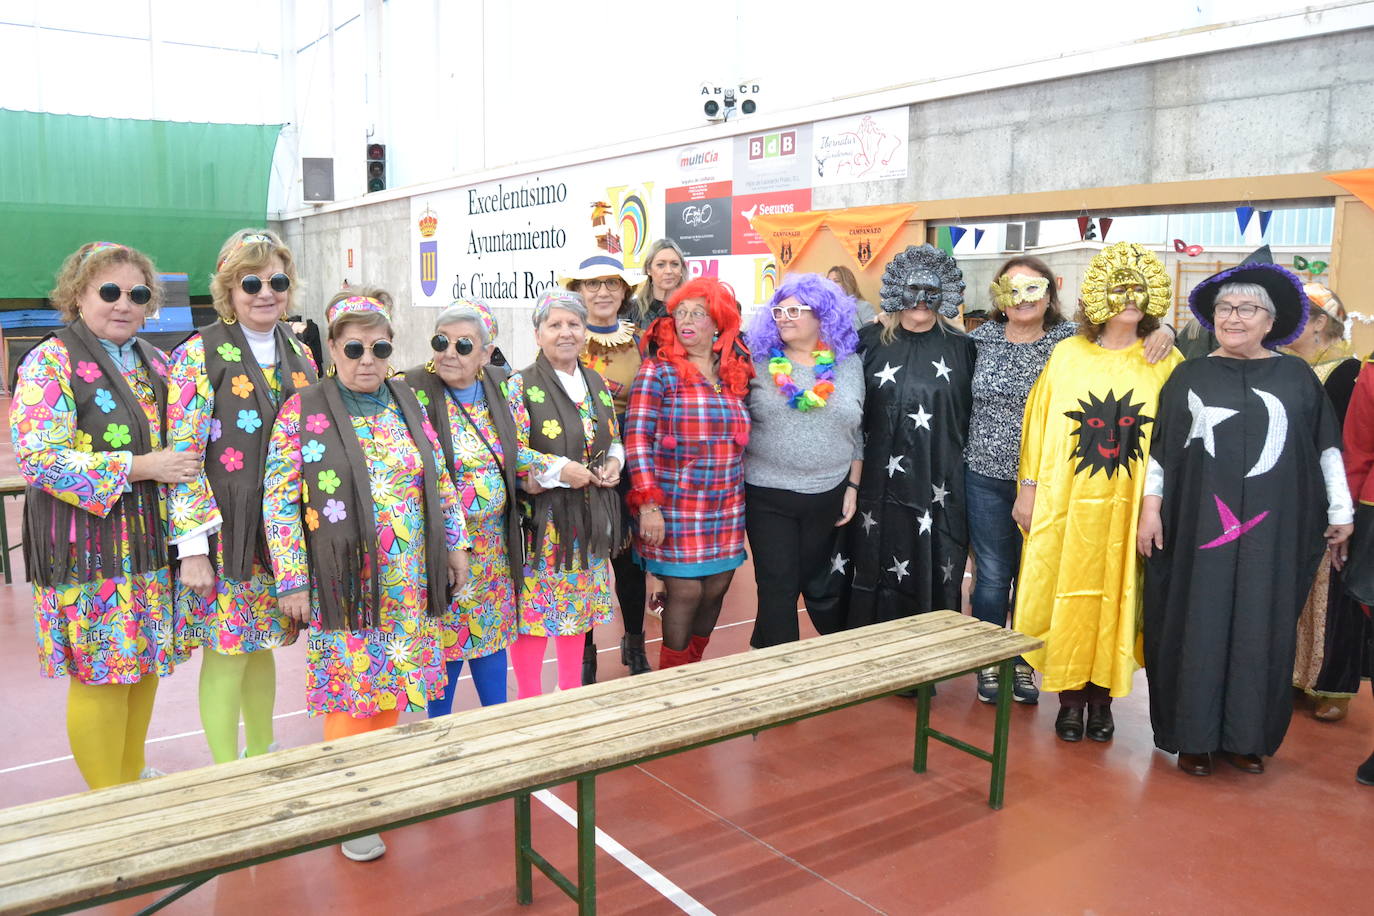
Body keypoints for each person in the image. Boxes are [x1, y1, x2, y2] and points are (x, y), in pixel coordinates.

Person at [264, 289, 468, 860]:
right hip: (344, 579)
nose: (367, 359)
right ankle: (350, 807)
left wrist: (455, 547)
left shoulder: (406, 399)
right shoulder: (301, 410)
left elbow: (441, 479)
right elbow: (278, 502)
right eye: (354, 347)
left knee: (393, 684)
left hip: (408, 576)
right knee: (352, 693)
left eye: (379, 347)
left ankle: (377, 789)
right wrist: (292, 580)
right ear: (331, 348)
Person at [1139, 261, 1352, 777]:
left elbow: (1326, 446)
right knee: (1198, 620)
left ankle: (1246, 736)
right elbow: (1162, 451)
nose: (1234, 318)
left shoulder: (1296, 377)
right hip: (1196, 527)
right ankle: (1193, 735)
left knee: (1262, 624)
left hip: (1271, 531)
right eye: (1225, 308)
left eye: (1248, 309)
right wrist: (1150, 510)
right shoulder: (1188, 374)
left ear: (1270, 320)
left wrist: (1341, 509)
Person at [11, 241, 198, 789]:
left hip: (148, 545)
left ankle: (130, 774)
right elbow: (41, 458)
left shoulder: (155, 361)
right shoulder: (51, 360)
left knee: (140, 668)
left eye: (137, 293)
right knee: (99, 674)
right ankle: (105, 797)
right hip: (85, 550)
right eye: (109, 291)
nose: (124, 304)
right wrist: (142, 466)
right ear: (78, 295)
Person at [965, 254, 1176, 705]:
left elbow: (1127, 333)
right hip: (988, 474)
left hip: (1054, 484)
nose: (1022, 299)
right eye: (1011, 290)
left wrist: (1166, 329)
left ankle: (1024, 664)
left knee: (1036, 575)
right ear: (998, 298)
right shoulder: (977, 340)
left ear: (1051, 296)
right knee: (992, 576)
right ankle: (988, 662)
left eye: (1033, 289)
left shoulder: (1068, 339)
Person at [1013, 243, 1183, 742]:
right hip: (1066, 504)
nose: (1129, 299)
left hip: (1130, 507)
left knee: (1117, 593)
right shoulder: (1067, 354)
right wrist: (1028, 490)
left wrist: (1168, 333)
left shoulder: (1166, 359)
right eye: (1118, 288)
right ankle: (1068, 700)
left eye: (1139, 289)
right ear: (1097, 296)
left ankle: (1103, 699)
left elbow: (1173, 440)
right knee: (1067, 591)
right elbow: (1038, 425)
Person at [167, 229, 317, 765]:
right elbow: (181, 458)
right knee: (229, 648)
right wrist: (192, 548)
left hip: (283, 533)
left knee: (262, 644)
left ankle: (261, 748)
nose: (264, 292)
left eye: (276, 281)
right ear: (229, 289)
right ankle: (226, 770)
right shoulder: (196, 355)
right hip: (225, 530)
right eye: (250, 282)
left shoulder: (300, 353)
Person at [403, 300, 550, 712]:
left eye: (463, 345)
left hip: (493, 546)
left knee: (490, 641)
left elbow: (517, 451)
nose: (450, 352)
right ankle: (439, 742)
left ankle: (498, 734)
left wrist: (553, 470)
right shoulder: (410, 389)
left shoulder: (503, 387)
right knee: (443, 646)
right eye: (441, 342)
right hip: (440, 547)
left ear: (486, 353)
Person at [842, 245, 975, 628]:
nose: (920, 301)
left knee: (931, 561)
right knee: (871, 556)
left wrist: (1164, 329)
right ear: (896, 290)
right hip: (874, 483)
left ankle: (927, 650)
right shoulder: (866, 342)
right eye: (912, 290)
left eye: (930, 293)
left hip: (938, 483)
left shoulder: (965, 348)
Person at [626, 277, 753, 667]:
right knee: (686, 593)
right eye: (681, 312)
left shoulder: (733, 373)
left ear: (718, 322)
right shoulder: (658, 372)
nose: (687, 319)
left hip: (725, 505)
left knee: (716, 588)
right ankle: (673, 679)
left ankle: (692, 667)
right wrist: (648, 505)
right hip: (675, 506)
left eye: (698, 312)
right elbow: (636, 439)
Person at [508, 289, 623, 698]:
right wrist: (559, 470)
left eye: (574, 324)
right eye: (554, 325)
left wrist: (614, 462)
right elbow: (512, 450)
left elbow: (611, 437)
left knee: (576, 610)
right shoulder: (518, 385)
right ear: (537, 334)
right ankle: (528, 699)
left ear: (585, 331)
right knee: (535, 613)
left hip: (589, 520)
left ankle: (570, 691)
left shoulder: (595, 381)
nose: (565, 332)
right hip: (542, 526)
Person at [743, 273, 864, 648]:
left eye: (794, 309)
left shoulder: (849, 365)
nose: (783, 317)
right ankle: (781, 680)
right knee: (778, 585)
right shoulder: (757, 364)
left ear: (822, 314)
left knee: (820, 586)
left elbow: (859, 430)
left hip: (829, 493)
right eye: (778, 310)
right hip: (767, 493)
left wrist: (854, 486)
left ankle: (767, 651)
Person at [558, 252, 652, 680]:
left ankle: (634, 641)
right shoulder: (564, 338)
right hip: (576, 467)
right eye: (592, 284)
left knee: (629, 562)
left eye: (611, 284)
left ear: (624, 292)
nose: (601, 292)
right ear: (578, 292)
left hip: (628, 463)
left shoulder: (642, 340)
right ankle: (586, 650)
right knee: (585, 560)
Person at [1283, 283, 1363, 721]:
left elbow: (1351, 446)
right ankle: (1294, 675)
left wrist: (1342, 505)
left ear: (1319, 323)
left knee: (1334, 589)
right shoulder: (1282, 368)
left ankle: (1332, 685)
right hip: (1289, 499)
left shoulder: (1350, 371)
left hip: (1333, 499)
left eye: (1298, 317)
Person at [628, 238, 687, 329]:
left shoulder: (691, 308)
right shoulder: (631, 309)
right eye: (660, 265)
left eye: (674, 264)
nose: (668, 271)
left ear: (681, 269)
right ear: (648, 269)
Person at [826, 264, 878, 328]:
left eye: (836, 281)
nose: (831, 285)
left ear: (848, 284)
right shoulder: (826, 311)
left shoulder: (863, 306)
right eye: (828, 281)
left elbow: (872, 334)